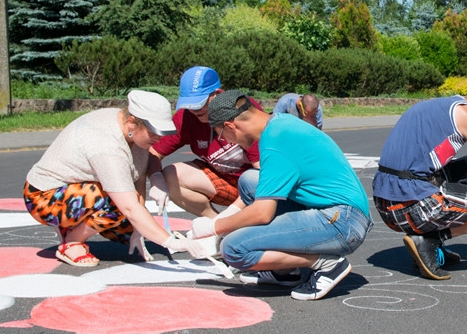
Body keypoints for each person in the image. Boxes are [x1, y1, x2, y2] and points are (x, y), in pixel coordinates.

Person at [191, 90, 372, 300]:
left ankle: (325, 264)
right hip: (341, 212)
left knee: (233, 249)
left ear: (231, 125)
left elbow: (262, 214)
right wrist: (227, 218)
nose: (227, 141)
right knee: (249, 181)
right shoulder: (280, 122)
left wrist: (214, 227)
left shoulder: (275, 142)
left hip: (343, 223)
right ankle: (283, 271)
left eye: (222, 134)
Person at [23, 90, 209, 267]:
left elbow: (137, 178)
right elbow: (128, 205)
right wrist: (171, 242)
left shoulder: (130, 130)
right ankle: (71, 241)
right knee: (119, 207)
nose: (157, 139)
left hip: (76, 189)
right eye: (153, 132)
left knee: (130, 229)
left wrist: (138, 228)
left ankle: (74, 224)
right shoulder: (107, 146)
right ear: (132, 122)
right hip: (43, 197)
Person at [372, 82, 467, 280]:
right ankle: (431, 240)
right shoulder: (465, 115)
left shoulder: (442, 106)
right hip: (407, 207)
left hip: (387, 199)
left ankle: (433, 243)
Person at [149, 67, 261, 218]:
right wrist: (156, 178)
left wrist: (233, 212)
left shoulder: (241, 110)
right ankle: (214, 222)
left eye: (200, 103)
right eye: (189, 104)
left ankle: (231, 223)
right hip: (225, 182)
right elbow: (154, 152)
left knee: (251, 179)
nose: (194, 110)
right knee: (170, 174)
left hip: (256, 184)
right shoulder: (187, 117)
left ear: (217, 93)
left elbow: (264, 172)